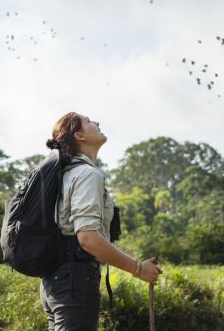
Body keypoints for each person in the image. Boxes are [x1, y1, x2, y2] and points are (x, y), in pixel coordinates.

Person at [41, 112, 162, 331]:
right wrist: (139, 269)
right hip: (75, 282)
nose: (96, 123)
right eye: (88, 121)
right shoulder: (87, 174)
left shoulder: (64, 173)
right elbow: (88, 239)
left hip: (54, 282)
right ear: (79, 135)